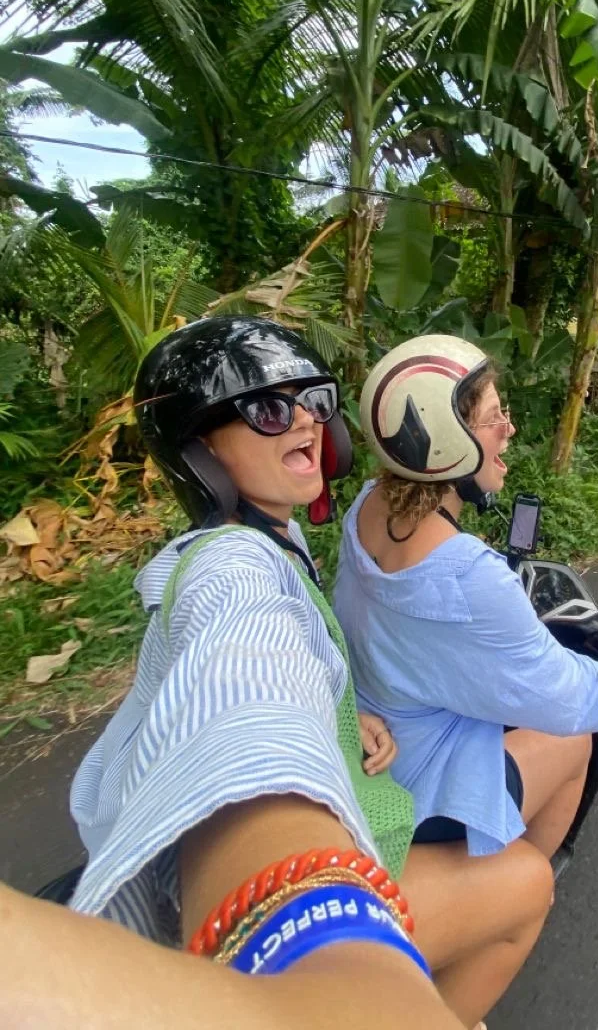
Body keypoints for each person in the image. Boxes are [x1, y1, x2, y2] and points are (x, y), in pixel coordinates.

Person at [61, 317, 551, 1030]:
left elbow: (300, 663)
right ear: (199, 449)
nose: (304, 421)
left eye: (314, 401)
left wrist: (344, 712)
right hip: (222, 916)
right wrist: (299, 940)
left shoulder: (281, 533)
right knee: (528, 882)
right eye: (267, 409)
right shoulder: (235, 569)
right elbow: (247, 698)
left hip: (352, 784)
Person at [334, 334, 598, 864]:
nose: (509, 429)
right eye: (495, 417)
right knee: (575, 739)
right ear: (446, 440)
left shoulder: (367, 508)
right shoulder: (470, 576)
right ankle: (517, 885)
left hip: (375, 726)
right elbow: (563, 696)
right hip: (419, 775)